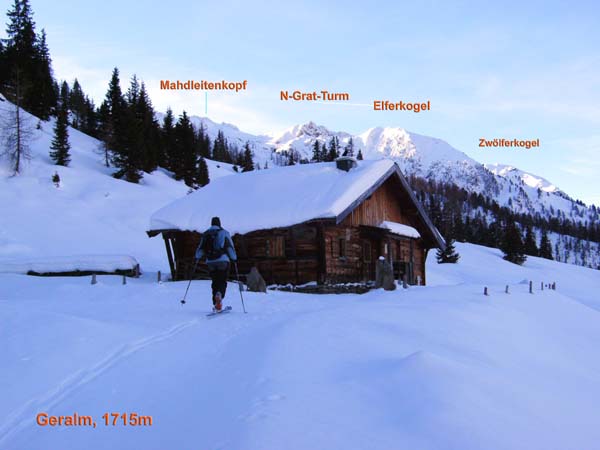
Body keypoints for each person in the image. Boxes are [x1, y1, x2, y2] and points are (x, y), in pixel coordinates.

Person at [195, 217, 237, 311]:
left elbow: (200, 250)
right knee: (222, 281)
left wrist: (197, 257)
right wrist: (234, 258)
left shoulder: (206, 234)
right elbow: (230, 247)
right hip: (222, 260)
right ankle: (219, 295)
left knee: (215, 282)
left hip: (210, 262)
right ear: (219, 223)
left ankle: (216, 304)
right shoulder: (224, 233)